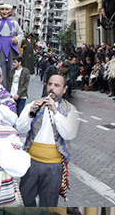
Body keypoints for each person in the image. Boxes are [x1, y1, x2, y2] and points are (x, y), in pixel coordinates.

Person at [16, 72, 79, 206]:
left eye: (57, 85)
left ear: (64, 89)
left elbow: (69, 134)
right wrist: (29, 114)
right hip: (31, 163)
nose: (52, 88)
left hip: (53, 166)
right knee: (24, 200)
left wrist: (55, 112)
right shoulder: (35, 104)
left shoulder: (71, 110)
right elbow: (20, 128)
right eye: (50, 84)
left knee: (48, 204)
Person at [0, 8, 23, 93]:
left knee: (11, 66)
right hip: (0, 44)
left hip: (10, 45)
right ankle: (0, 87)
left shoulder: (14, 23)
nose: (4, 11)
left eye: (7, 9)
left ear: (10, 12)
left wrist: (17, 39)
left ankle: (11, 88)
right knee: (0, 65)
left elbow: (21, 33)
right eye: (2, 9)